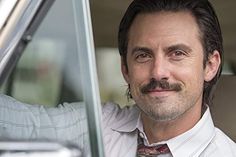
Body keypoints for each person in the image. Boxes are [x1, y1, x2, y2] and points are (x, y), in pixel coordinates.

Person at [0, 0, 236, 156]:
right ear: (125, 68)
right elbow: (16, 123)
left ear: (210, 65)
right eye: (143, 55)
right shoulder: (95, 127)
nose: (158, 72)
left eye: (177, 53)